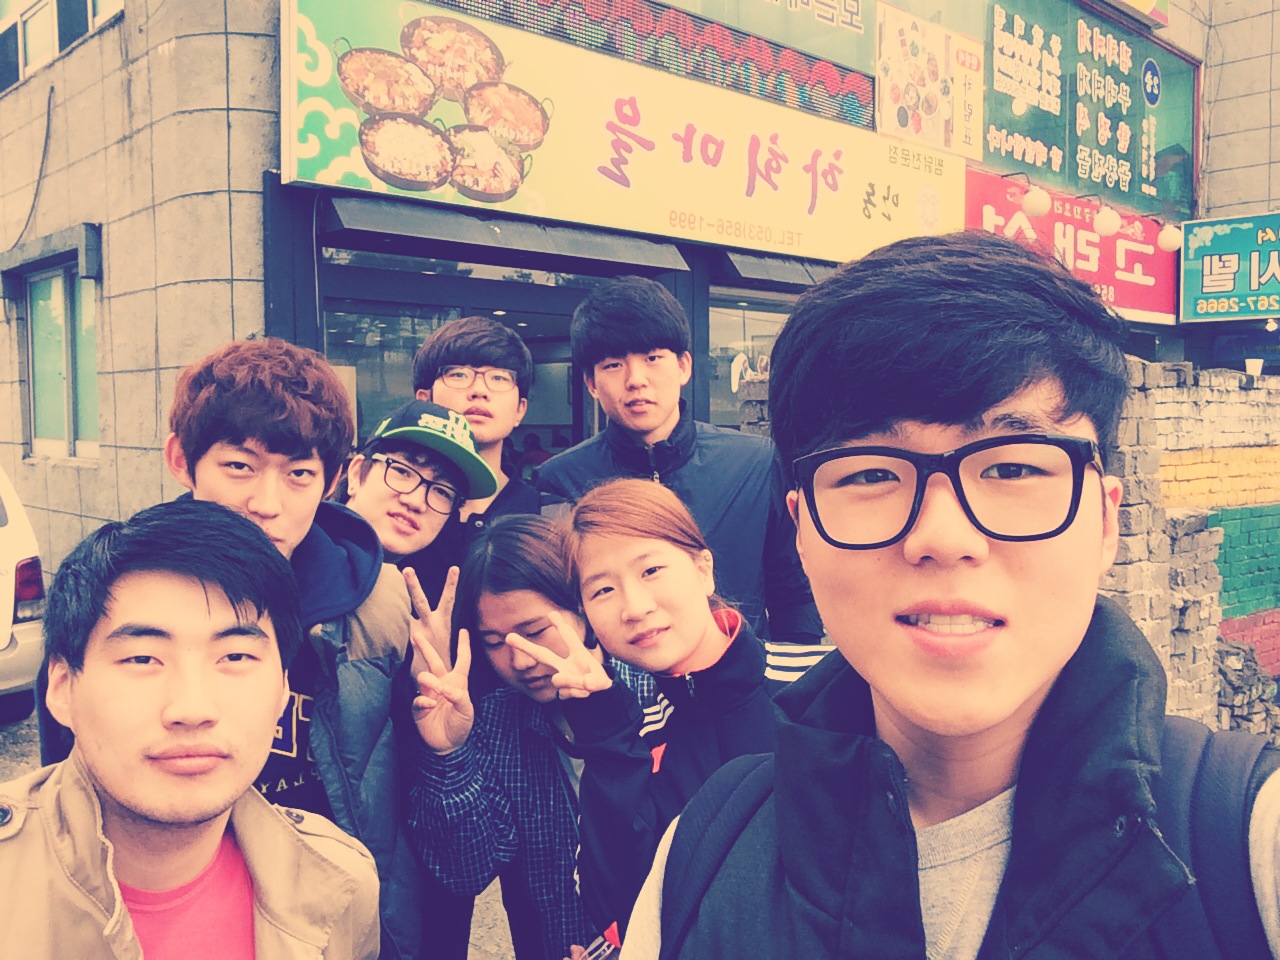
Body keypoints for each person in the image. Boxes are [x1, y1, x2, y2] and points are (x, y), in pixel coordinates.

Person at [620, 231, 1280, 959]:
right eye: (871, 473)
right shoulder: (705, 854)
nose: (943, 535)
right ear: (801, 532)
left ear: (1104, 520)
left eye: (1014, 467)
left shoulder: (1250, 845)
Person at [406, 479, 779, 958]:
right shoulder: (497, 723)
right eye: (494, 643)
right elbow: (466, 871)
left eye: (534, 631)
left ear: (580, 611)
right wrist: (448, 753)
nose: (520, 659)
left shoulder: (658, 689)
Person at [0, 499, 379, 959]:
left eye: (235, 657)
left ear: (283, 688)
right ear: (62, 687)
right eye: (142, 659)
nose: (193, 708)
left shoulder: (340, 882)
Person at [535, 277, 824, 667]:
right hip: (621, 691)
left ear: (684, 366)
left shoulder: (756, 462)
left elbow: (795, 594)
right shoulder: (560, 480)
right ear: (591, 383)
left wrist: (791, 683)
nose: (635, 379)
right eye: (613, 365)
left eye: (653, 358)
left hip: (745, 680)